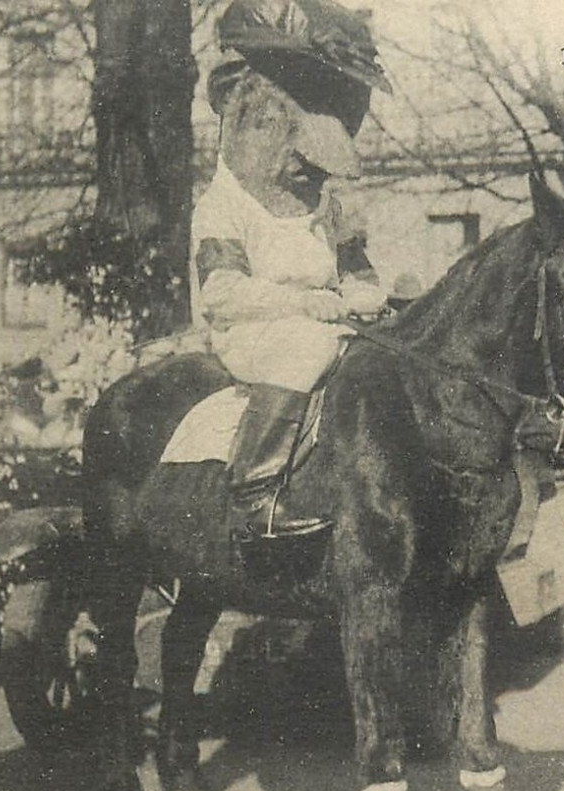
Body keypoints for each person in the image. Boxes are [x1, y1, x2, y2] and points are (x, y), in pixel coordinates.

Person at [193, 0, 389, 536]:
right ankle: (255, 493)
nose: (304, 165)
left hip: (328, 324)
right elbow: (221, 292)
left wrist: (363, 294)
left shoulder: (324, 206)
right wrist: (302, 303)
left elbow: (358, 272)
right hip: (253, 333)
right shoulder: (224, 206)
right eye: (294, 151)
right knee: (307, 345)